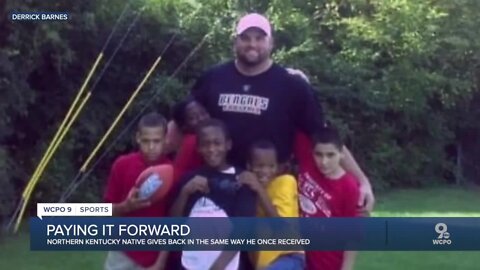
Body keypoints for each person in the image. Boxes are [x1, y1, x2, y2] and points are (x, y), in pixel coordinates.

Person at [179, 12, 375, 213]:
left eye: (259, 38)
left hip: (272, 187)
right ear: (235, 42)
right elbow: (179, 123)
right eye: (245, 38)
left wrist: (362, 180)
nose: (252, 44)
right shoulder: (213, 78)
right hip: (218, 187)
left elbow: (324, 137)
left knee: (273, 243)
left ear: (271, 42)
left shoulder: (292, 85)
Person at [170, 118, 257, 270]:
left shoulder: (242, 179)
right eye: (205, 144)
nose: (211, 149)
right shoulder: (188, 179)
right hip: (190, 264)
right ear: (198, 148)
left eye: (217, 143)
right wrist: (184, 193)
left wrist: (217, 267)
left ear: (228, 144)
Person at [103, 112, 170, 270]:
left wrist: (160, 262)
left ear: (166, 140)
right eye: (146, 141)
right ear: (138, 138)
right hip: (122, 250)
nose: (151, 147)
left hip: (153, 256)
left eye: (157, 141)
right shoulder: (122, 165)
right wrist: (125, 207)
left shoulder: (171, 173)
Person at [295, 126, 359, 270]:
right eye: (319, 154)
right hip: (299, 256)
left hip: (328, 262)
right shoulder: (308, 162)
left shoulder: (348, 186)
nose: (324, 161)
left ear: (342, 154)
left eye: (330, 155)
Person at [239, 140, 305, 270]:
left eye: (271, 166)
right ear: (249, 166)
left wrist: (259, 190)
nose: (265, 171)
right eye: (260, 166)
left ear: (278, 167)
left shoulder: (285, 182)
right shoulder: (249, 191)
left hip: (288, 256)